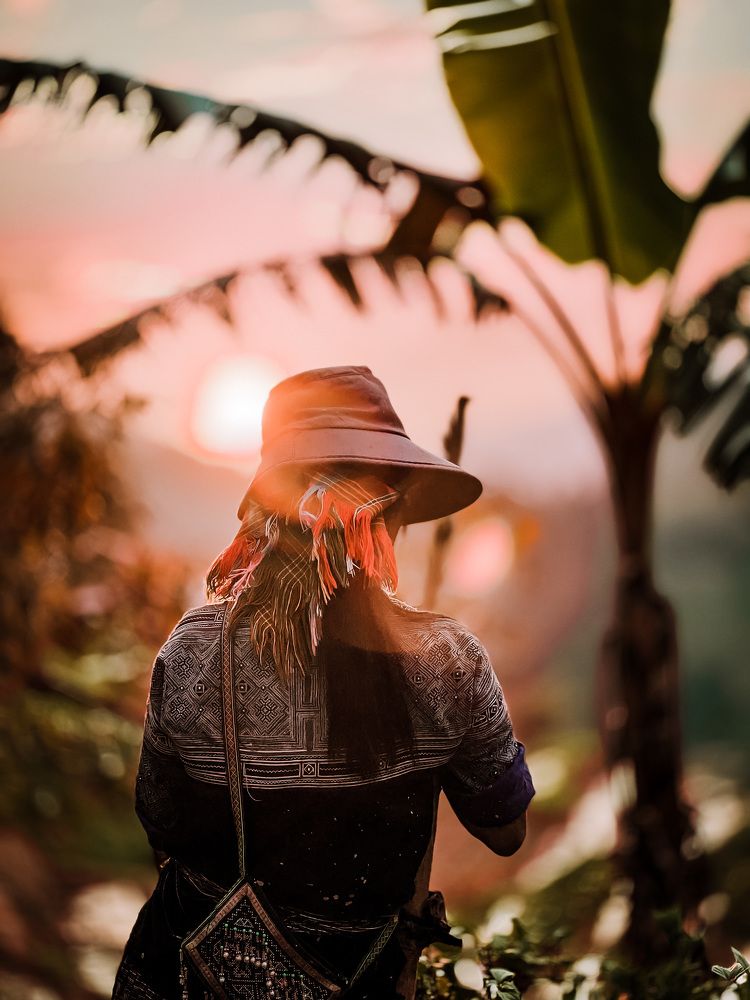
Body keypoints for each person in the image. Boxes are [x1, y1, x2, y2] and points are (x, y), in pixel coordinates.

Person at [112, 365, 534, 1000]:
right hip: (360, 982)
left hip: (181, 977)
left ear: (267, 514)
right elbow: (505, 831)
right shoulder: (449, 661)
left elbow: (162, 823)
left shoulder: (193, 650)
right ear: (385, 517)